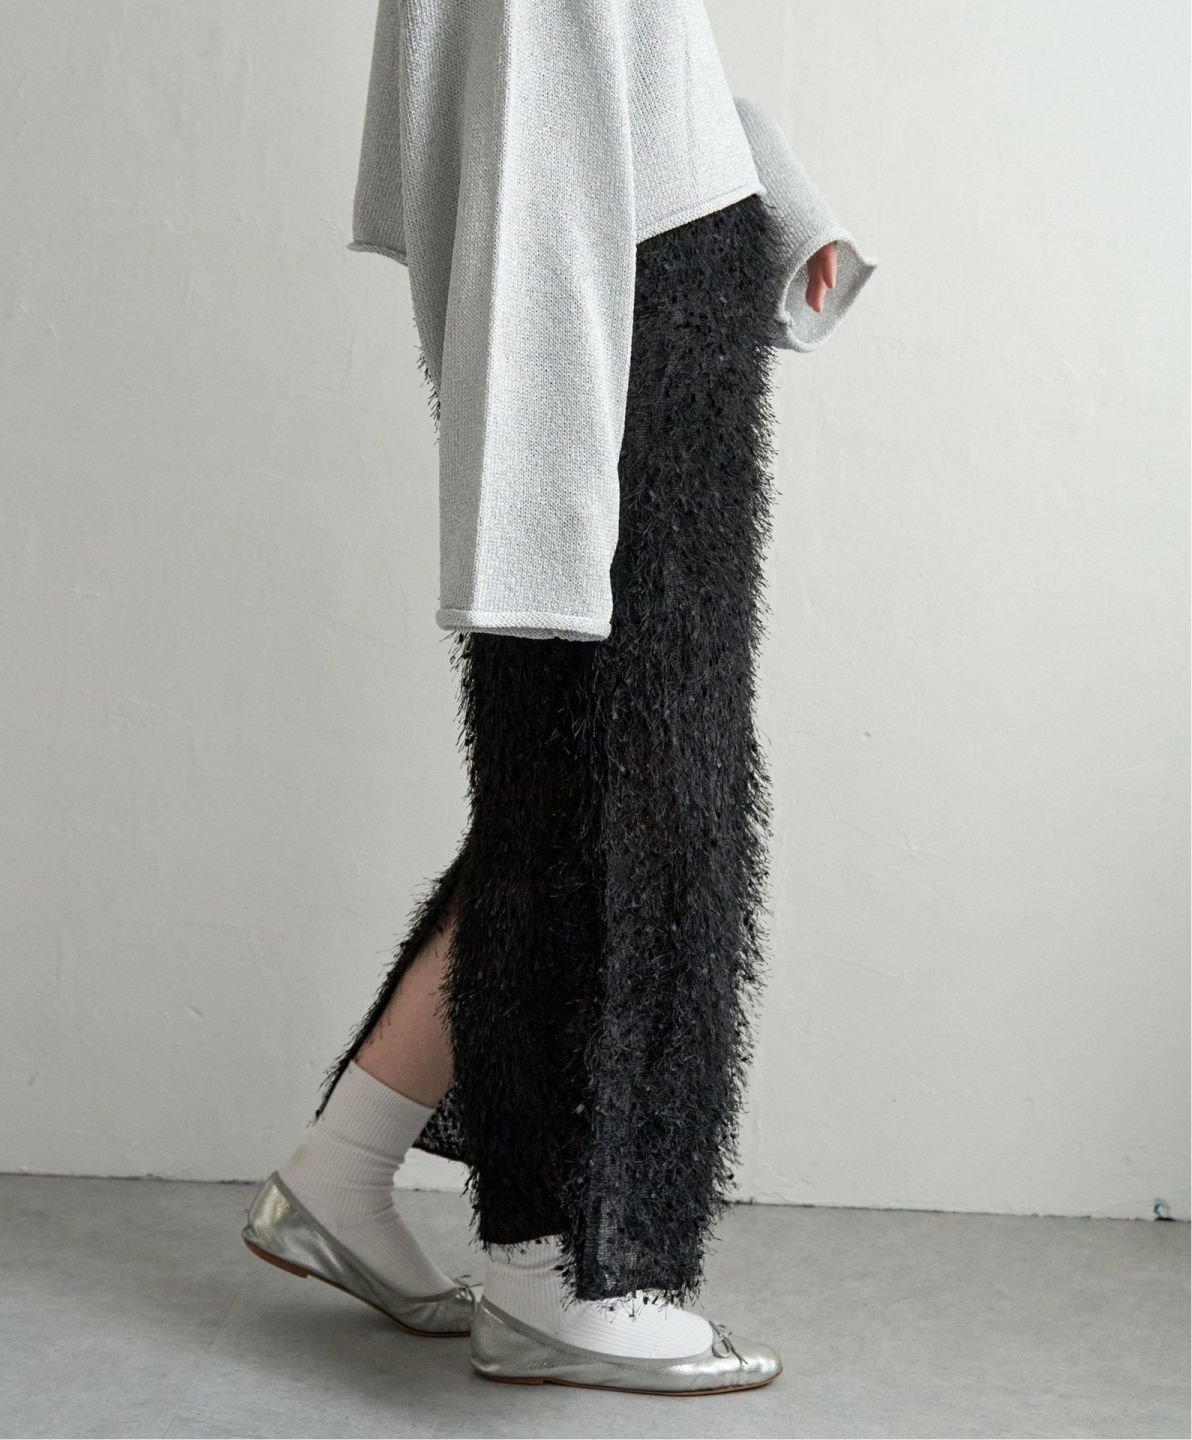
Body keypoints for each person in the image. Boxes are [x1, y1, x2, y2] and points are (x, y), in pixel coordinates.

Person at [243, 0, 877, 1397]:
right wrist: (530, 527)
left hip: (653, 301)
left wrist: (772, 200)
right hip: (621, 332)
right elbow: (538, 157)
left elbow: (629, 82)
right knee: (635, 806)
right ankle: (560, 1272)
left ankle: (344, 1168)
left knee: (582, 793)